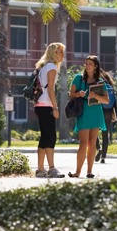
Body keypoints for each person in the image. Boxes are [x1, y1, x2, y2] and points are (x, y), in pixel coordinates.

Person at [68, 55, 108, 179]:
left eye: (90, 64)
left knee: (92, 143)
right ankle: (77, 172)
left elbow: (106, 100)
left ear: (96, 67)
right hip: (84, 111)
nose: (87, 66)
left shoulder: (100, 82)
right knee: (83, 143)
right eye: (86, 63)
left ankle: (89, 171)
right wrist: (78, 94)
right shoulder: (78, 78)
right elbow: (70, 96)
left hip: (95, 111)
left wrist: (95, 95)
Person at [32, 42, 66, 179]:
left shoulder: (43, 66)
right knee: (51, 136)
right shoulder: (51, 67)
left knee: (44, 137)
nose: (63, 55)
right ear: (54, 53)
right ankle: (51, 169)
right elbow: (51, 89)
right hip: (46, 105)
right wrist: (55, 107)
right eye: (60, 52)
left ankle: (40, 169)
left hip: (39, 105)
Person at [95, 70, 116, 164]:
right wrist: (115, 114)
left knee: (94, 131)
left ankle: (99, 148)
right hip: (109, 111)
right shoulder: (110, 86)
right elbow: (114, 101)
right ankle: (103, 157)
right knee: (105, 133)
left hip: (99, 110)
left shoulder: (98, 84)